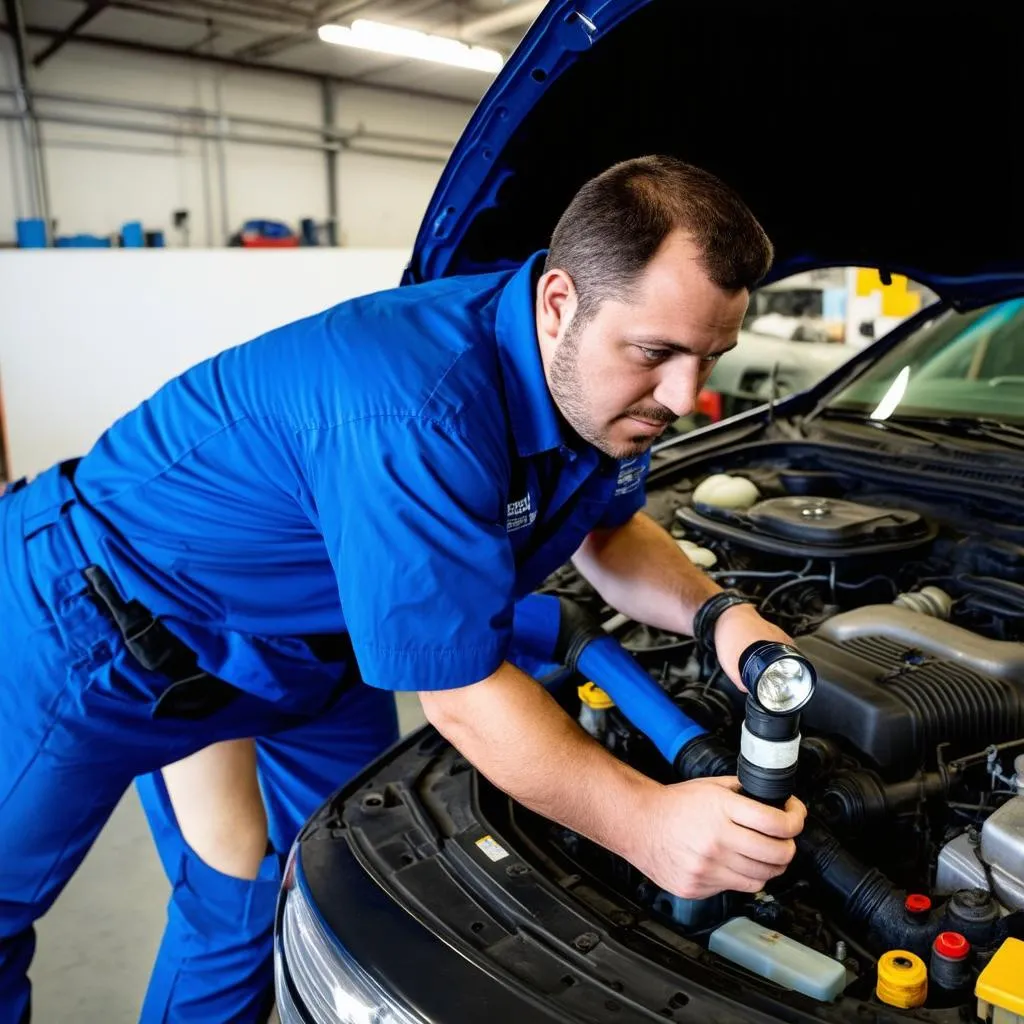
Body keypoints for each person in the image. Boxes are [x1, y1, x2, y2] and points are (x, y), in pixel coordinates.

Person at [0, 156, 806, 1024]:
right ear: (561, 302)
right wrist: (647, 824)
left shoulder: (597, 384)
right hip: (95, 617)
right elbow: (459, 694)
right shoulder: (418, 409)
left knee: (329, 895)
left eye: (710, 356)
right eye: (658, 353)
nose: (685, 396)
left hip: (306, 649)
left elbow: (607, 527)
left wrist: (717, 611)